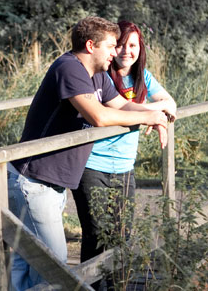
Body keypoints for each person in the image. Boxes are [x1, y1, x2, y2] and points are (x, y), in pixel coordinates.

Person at [7, 17, 169, 291]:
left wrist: (157, 114)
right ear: (90, 45)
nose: (115, 53)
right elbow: (98, 116)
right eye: (110, 46)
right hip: (33, 180)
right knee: (54, 267)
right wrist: (147, 117)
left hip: (51, 182)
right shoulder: (69, 68)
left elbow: (122, 105)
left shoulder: (97, 75)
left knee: (29, 262)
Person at [71, 20, 177, 266]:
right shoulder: (101, 75)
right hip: (93, 164)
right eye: (119, 45)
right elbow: (106, 112)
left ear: (140, 48)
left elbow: (170, 104)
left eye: (133, 45)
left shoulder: (143, 77)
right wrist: (151, 114)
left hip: (124, 166)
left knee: (121, 235)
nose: (126, 51)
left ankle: (117, 283)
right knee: (96, 235)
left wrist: (158, 116)